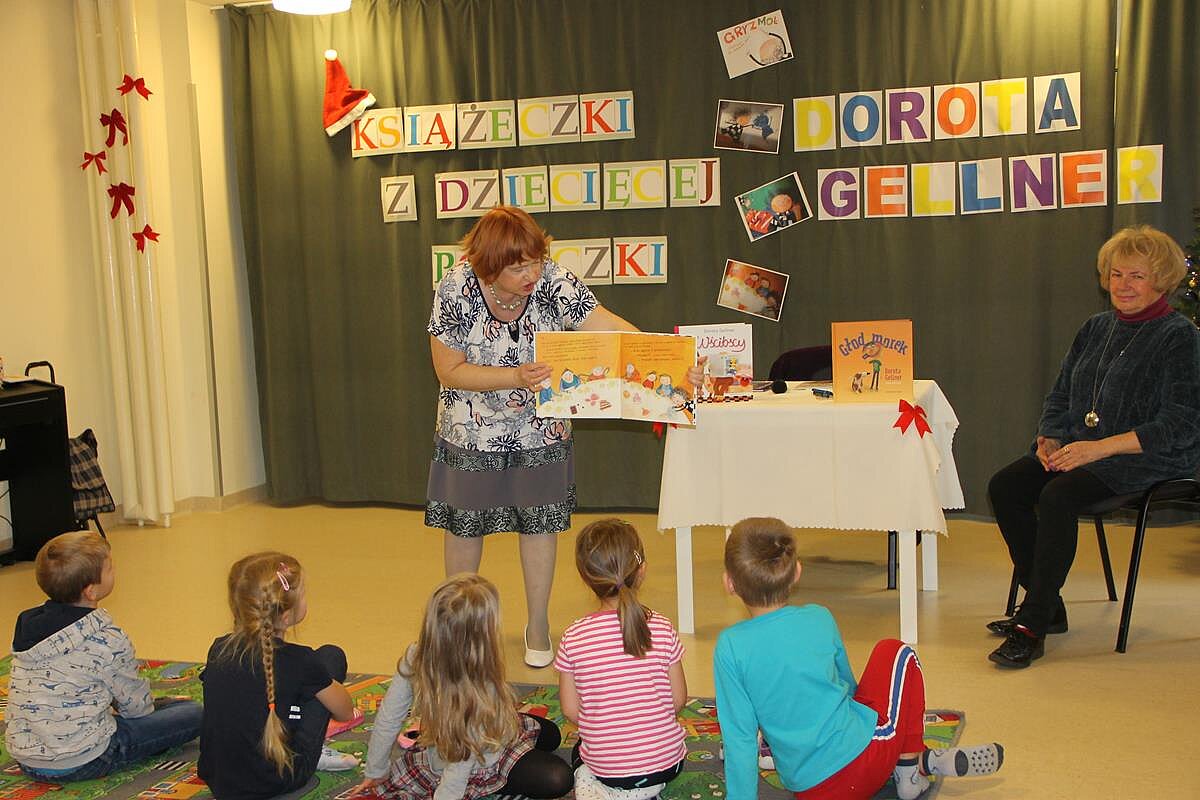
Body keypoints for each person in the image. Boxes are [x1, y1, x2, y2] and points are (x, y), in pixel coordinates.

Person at [426, 205, 701, 668]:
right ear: (489, 267)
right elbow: (448, 370)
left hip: (541, 429)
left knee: (540, 524)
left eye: (536, 260)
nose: (532, 274)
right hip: (470, 429)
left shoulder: (553, 280)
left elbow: (609, 327)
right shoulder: (454, 288)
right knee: (465, 525)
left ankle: (537, 625)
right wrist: (514, 377)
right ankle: (457, 628)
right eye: (518, 267)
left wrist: (668, 362)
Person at [987, 225, 1200, 668]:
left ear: (1161, 280)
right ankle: (1048, 603)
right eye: (1117, 274)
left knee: (1058, 496)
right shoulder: (1095, 327)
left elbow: (1179, 425)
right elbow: (1061, 393)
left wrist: (1100, 449)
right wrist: (1049, 437)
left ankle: (1033, 624)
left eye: (1137, 276)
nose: (1123, 285)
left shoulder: (1180, 336)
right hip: (1082, 448)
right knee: (1006, 486)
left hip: (1147, 458)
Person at [714, 518, 1004, 800]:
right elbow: (848, 687)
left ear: (730, 583)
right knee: (896, 652)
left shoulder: (729, 646)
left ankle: (917, 762)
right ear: (797, 571)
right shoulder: (818, 617)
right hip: (867, 764)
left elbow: (740, 738)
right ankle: (909, 768)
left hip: (811, 790)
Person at [5, 531, 202, 782]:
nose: (115, 570)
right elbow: (136, 708)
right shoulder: (107, 638)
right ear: (91, 591)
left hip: (27, 756)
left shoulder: (27, 625)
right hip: (85, 758)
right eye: (110, 567)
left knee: (167, 706)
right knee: (194, 713)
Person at [354, 574, 573, 799]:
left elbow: (389, 717)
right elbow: (462, 760)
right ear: (482, 635)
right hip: (470, 761)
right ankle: (496, 783)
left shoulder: (416, 655)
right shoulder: (480, 681)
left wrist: (376, 770)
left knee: (551, 734)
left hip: (479, 738)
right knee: (558, 778)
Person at [198, 552, 360, 798]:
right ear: (285, 616)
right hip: (277, 779)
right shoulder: (301, 660)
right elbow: (345, 712)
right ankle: (313, 752)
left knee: (292, 684)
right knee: (331, 657)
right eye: (303, 594)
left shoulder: (219, 648)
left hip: (217, 777)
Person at [555, 519, 687, 800]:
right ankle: (645, 789)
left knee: (579, 753)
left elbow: (571, 711)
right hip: (668, 765)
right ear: (642, 570)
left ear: (585, 577)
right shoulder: (663, 627)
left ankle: (607, 788)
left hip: (608, 770)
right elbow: (677, 701)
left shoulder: (573, 637)